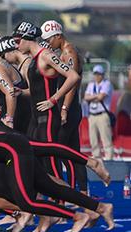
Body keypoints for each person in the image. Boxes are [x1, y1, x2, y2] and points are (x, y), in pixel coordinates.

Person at [12, 21, 81, 180]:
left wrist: (54, 100)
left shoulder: (46, 56)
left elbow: (73, 76)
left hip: (48, 117)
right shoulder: (33, 59)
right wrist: (20, 92)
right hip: (36, 118)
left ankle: (63, 200)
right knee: (36, 160)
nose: (16, 46)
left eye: (17, 41)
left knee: (52, 161)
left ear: (28, 38)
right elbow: (36, 90)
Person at [41, 19, 88, 193]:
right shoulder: (64, 51)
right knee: (73, 153)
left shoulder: (68, 53)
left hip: (69, 108)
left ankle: (65, 192)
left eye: (49, 39)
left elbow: (72, 83)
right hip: (70, 107)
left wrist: (64, 109)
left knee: (59, 151)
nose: (48, 43)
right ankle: (82, 193)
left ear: (58, 36)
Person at [84, 65, 114, 160]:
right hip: (92, 115)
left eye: (99, 74)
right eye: (95, 74)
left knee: (106, 139)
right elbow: (86, 97)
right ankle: (97, 158)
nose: (97, 76)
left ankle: (109, 159)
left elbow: (101, 97)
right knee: (93, 140)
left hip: (102, 114)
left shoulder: (107, 84)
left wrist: (92, 97)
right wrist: (96, 96)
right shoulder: (91, 84)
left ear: (102, 75)